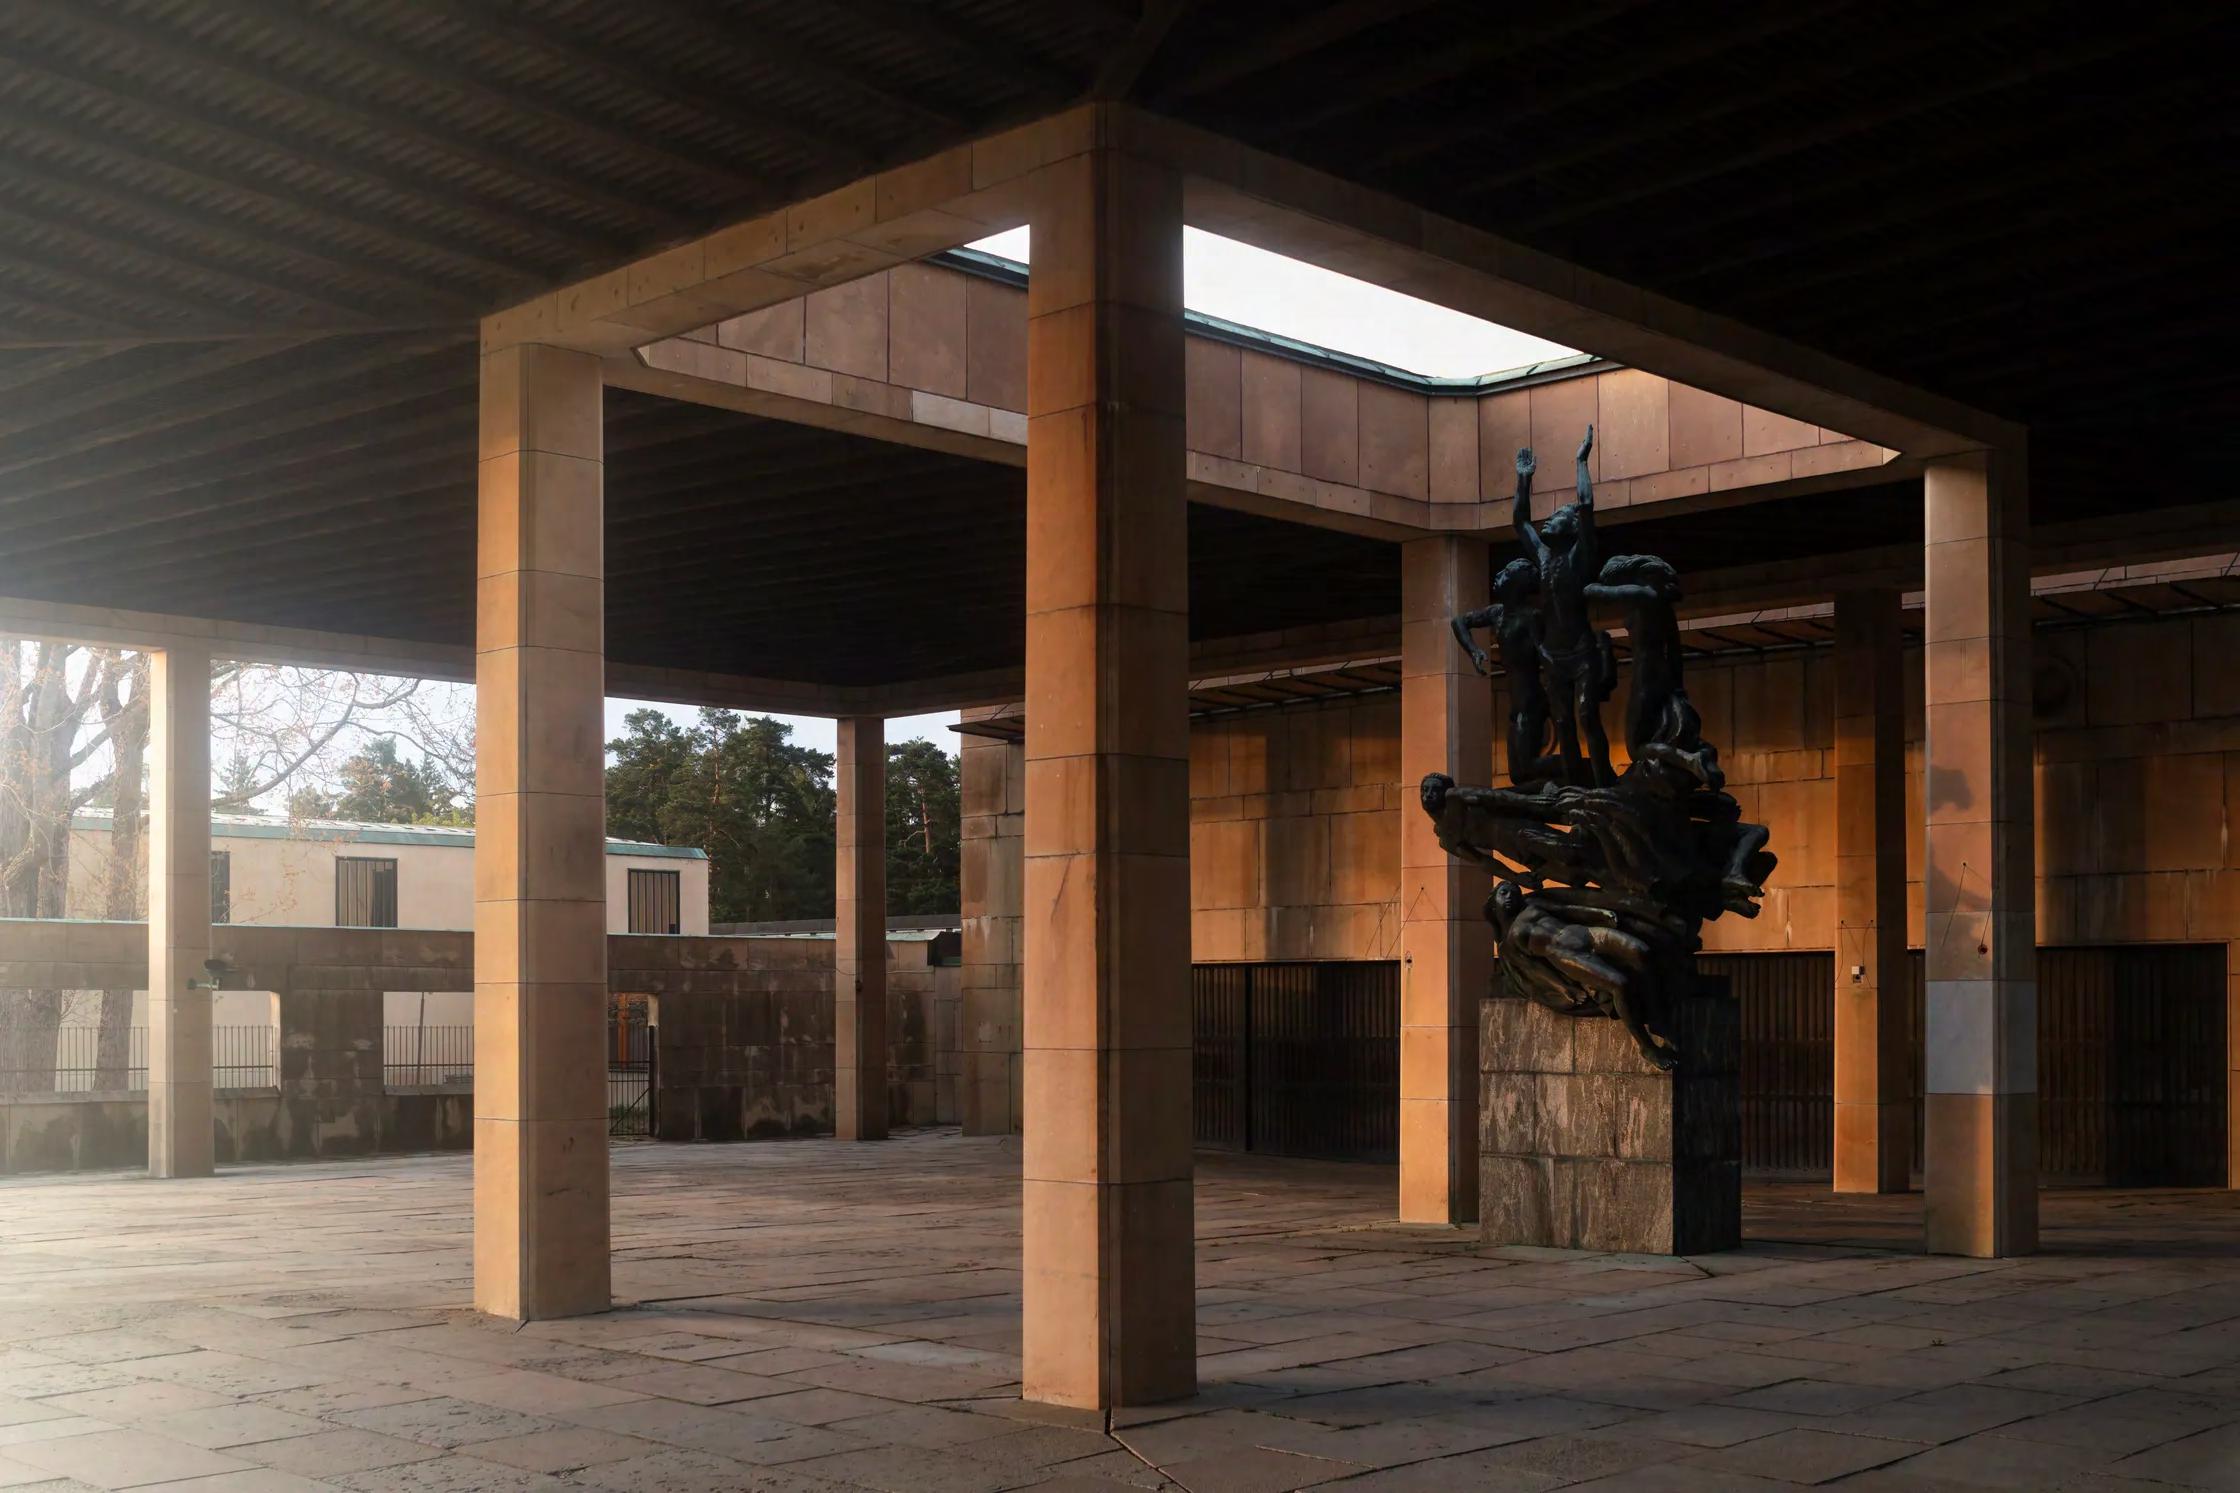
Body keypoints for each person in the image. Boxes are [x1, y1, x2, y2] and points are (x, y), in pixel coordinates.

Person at [1513, 426, 1615, 788]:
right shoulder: (1543, 557)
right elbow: (1520, 522)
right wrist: (1524, 480)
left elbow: (1586, 507)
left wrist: (1581, 461)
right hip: (1553, 655)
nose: (1548, 521)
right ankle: (1573, 786)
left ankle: (1604, 783)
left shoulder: (1579, 555)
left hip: (1581, 652)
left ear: (1570, 528)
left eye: (1555, 517)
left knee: (1587, 715)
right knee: (1563, 722)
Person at [1450, 558, 1558, 783]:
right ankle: (1558, 776)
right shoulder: (1496, 613)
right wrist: (1474, 651)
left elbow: (1544, 653)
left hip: (1531, 701)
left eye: (1506, 573)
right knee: (1517, 775)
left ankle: (1573, 765)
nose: (1498, 575)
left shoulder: (1531, 617)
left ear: (1516, 584)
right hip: (1516, 703)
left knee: (1527, 767)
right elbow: (1459, 622)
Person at [1586, 553, 1700, 761]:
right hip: (1663, 675)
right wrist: (1678, 687)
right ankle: (1684, 759)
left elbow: (1593, 591)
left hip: (1645, 674)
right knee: (1654, 731)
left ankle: (1690, 760)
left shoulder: (1643, 594)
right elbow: (1675, 651)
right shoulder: (1663, 605)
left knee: (1635, 746)